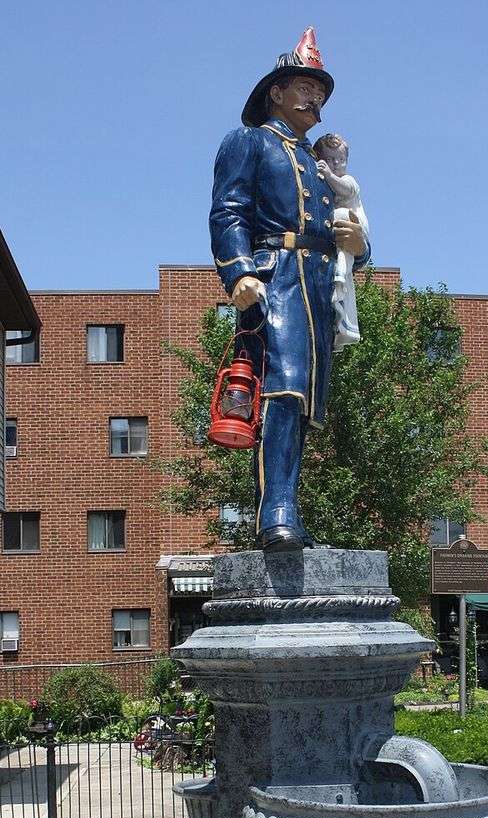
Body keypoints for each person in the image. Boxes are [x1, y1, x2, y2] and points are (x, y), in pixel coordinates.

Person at [210, 28, 370, 551]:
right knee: (282, 390)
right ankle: (275, 513)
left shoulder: (321, 167)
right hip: (274, 279)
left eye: (319, 94)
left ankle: (289, 511)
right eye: (304, 87)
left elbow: (346, 234)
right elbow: (229, 211)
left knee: (302, 403)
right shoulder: (248, 142)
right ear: (275, 91)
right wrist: (238, 272)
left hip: (317, 291)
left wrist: (358, 243)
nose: (314, 99)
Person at [313, 133, 369, 348]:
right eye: (330, 159)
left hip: (352, 223)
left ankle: (340, 275)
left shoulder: (346, 180)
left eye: (341, 160)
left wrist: (327, 174)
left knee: (341, 219)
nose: (336, 164)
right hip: (333, 237)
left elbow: (345, 189)